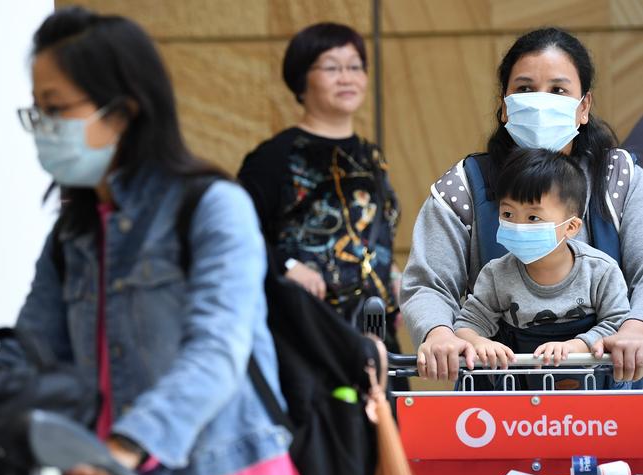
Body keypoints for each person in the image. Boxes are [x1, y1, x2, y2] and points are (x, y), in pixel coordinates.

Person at [0, 7, 302, 475]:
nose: (43, 127)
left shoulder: (214, 206)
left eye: (56, 109)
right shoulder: (72, 233)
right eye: (36, 110)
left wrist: (127, 446)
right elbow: (33, 353)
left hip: (223, 470)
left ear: (122, 111)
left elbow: (217, 348)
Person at [400, 26, 643, 384]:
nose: (541, 102)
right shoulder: (466, 185)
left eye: (558, 90)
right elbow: (427, 284)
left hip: (609, 398)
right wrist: (439, 332)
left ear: (584, 106)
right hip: (498, 400)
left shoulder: (620, 176)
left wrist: (635, 328)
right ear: (504, 106)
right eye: (525, 89)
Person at [238, 23, 403, 351]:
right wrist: (286, 265)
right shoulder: (275, 157)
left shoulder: (371, 156)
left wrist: (394, 274)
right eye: (332, 67)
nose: (347, 77)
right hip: (306, 332)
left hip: (374, 329)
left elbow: (373, 230)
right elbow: (238, 233)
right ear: (302, 78)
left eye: (355, 67)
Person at [453, 148, 629, 389]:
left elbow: (618, 324)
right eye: (508, 213)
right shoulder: (496, 275)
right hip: (523, 407)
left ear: (571, 227)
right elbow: (466, 325)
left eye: (533, 218)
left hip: (596, 407)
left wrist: (577, 347)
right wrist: (479, 342)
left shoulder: (601, 271)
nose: (517, 225)